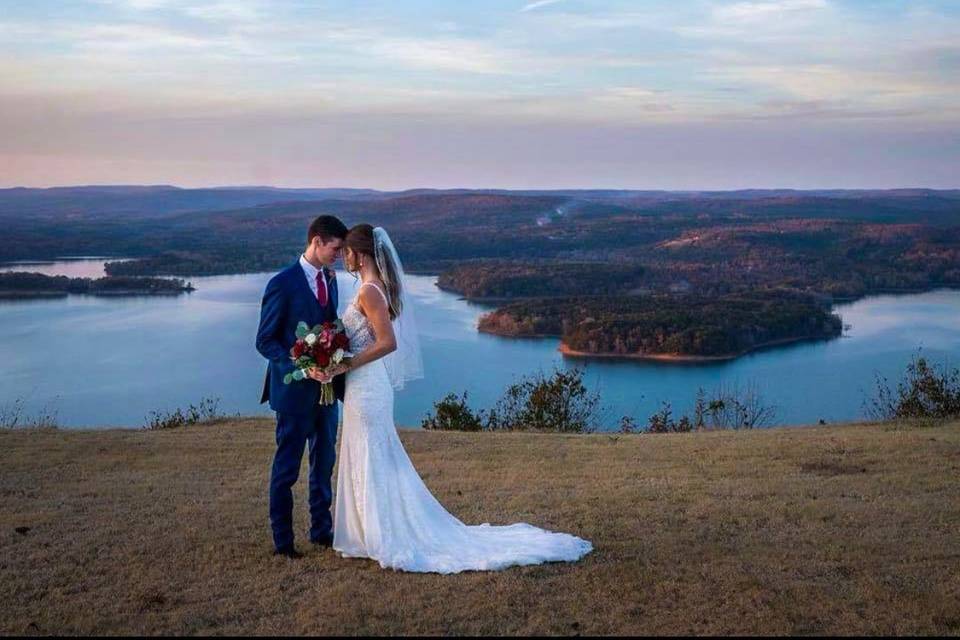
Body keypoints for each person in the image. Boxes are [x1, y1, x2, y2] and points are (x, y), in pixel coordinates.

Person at [321, 223, 593, 573]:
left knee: (373, 452)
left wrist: (346, 365)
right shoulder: (369, 288)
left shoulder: (370, 292)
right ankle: (364, 532)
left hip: (368, 385)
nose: (343, 257)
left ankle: (378, 533)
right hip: (365, 385)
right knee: (369, 453)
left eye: (346, 251)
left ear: (358, 254)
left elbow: (388, 343)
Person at [255, 214, 348, 558]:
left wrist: (333, 362)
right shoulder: (282, 283)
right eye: (335, 248)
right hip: (293, 394)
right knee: (287, 469)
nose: (339, 255)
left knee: (324, 463)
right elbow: (265, 341)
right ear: (317, 242)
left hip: (327, 392)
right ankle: (283, 542)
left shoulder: (332, 279)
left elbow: (331, 328)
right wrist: (303, 365)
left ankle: (321, 531)